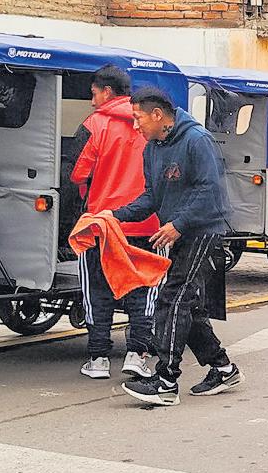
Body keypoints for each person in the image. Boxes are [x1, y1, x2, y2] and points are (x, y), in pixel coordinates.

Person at [111, 87, 241, 407]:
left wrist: (178, 224)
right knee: (188, 305)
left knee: (173, 298)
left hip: (204, 230)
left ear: (157, 115)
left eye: (138, 118)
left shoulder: (197, 140)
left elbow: (209, 191)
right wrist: (113, 217)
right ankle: (223, 368)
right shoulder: (152, 149)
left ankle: (166, 380)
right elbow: (151, 198)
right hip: (178, 232)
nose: (135, 126)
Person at [68, 64, 159, 381]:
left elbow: (77, 173)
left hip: (102, 226)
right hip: (146, 225)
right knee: (141, 291)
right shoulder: (148, 124)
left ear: (107, 92)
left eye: (94, 93)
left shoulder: (95, 124)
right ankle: (137, 355)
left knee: (97, 291)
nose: (92, 100)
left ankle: (98, 360)